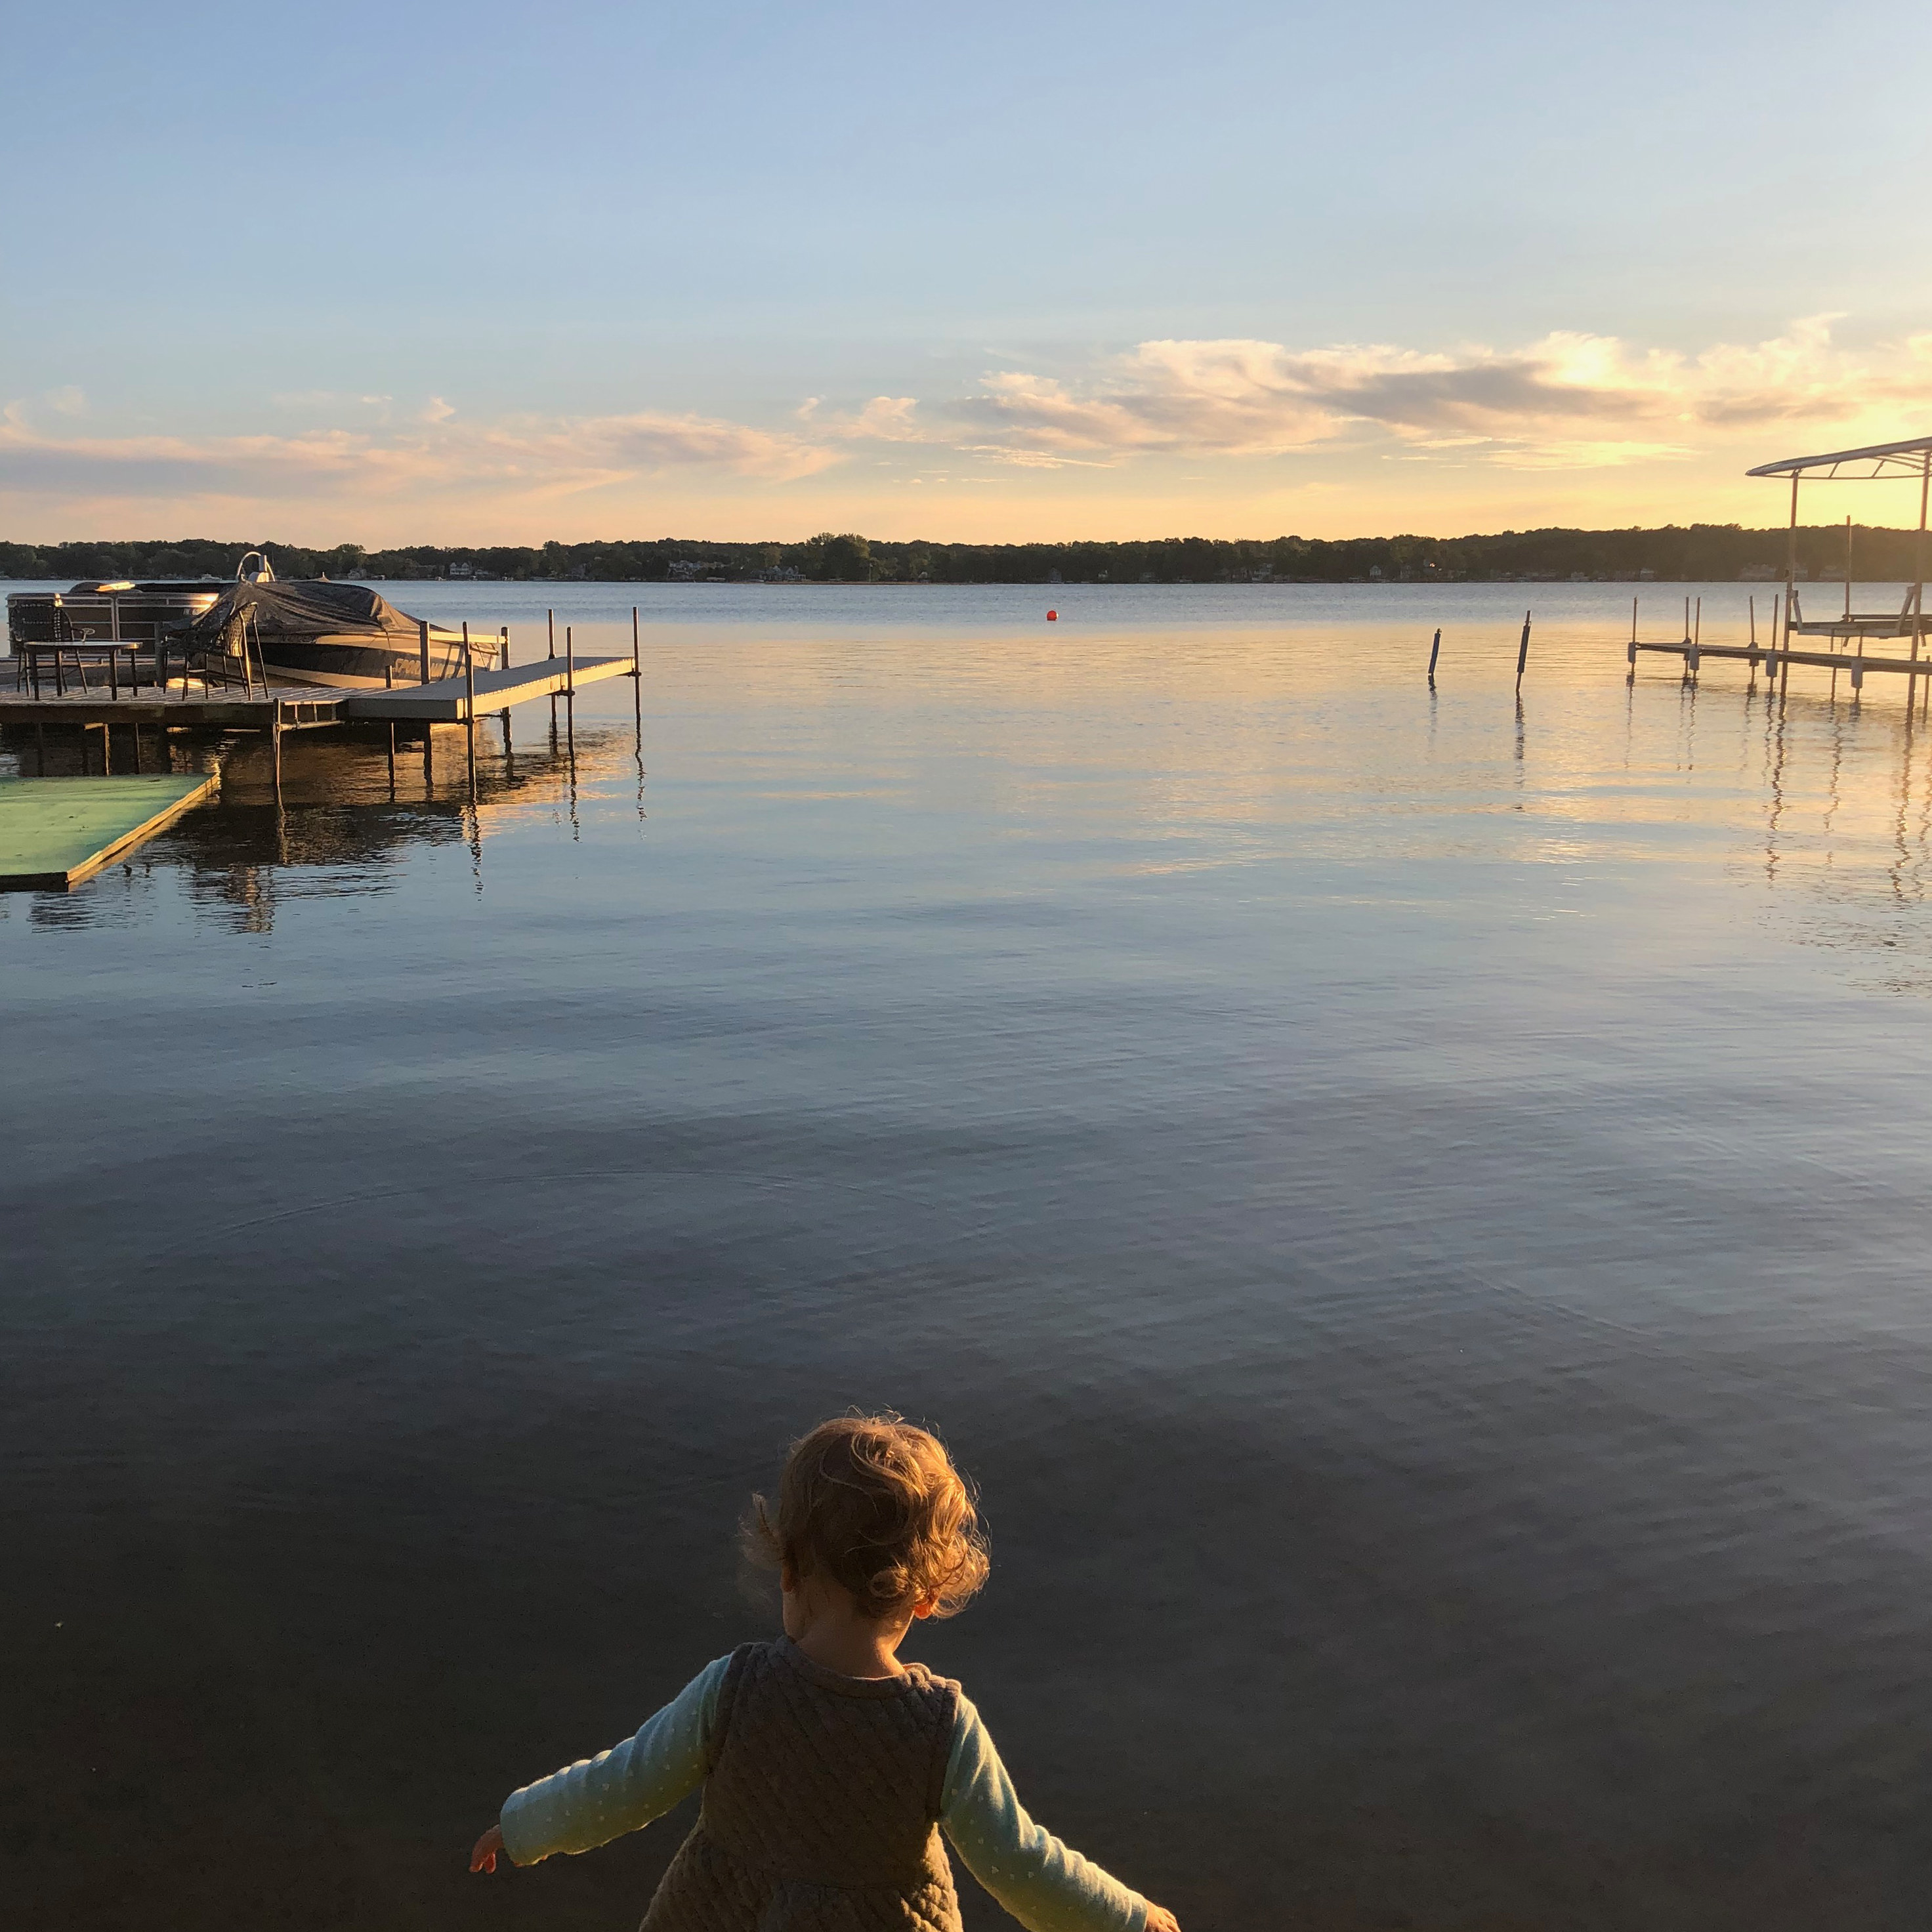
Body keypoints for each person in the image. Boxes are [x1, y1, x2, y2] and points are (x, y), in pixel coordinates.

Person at [470, 1412, 1181, 1932]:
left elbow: (626, 1782)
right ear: (928, 1596)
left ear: (787, 1566)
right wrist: (1129, 1917)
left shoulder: (734, 1687)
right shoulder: (941, 1727)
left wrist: (525, 1824)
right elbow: (1019, 1862)